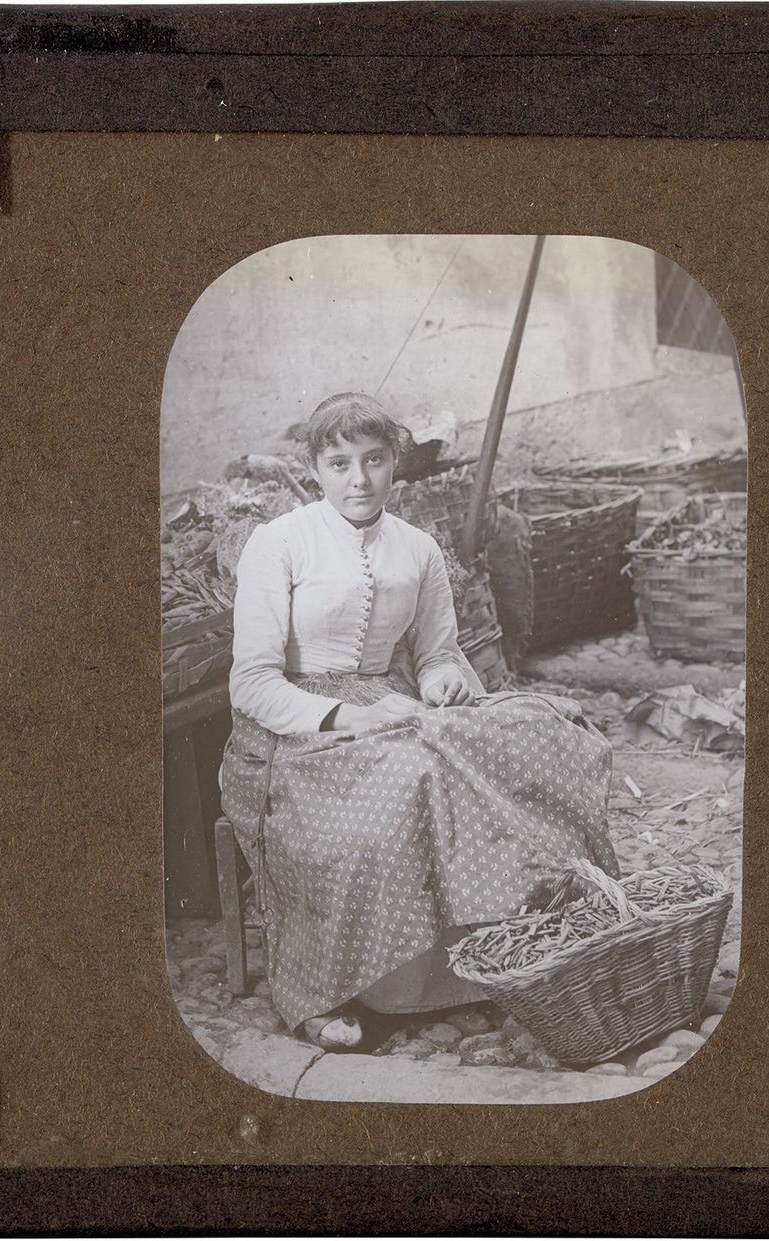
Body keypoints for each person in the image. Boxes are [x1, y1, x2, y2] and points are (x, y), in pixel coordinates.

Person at [219, 392, 619, 1050]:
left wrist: (441, 681)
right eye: (339, 463)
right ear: (314, 469)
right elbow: (253, 682)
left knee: (537, 738)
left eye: (374, 460)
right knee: (414, 781)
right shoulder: (280, 543)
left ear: (394, 463)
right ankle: (348, 986)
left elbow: (438, 652)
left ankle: (512, 954)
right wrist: (352, 716)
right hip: (293, 734)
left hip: (398, 709)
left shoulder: (418, 548)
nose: (359, 479)